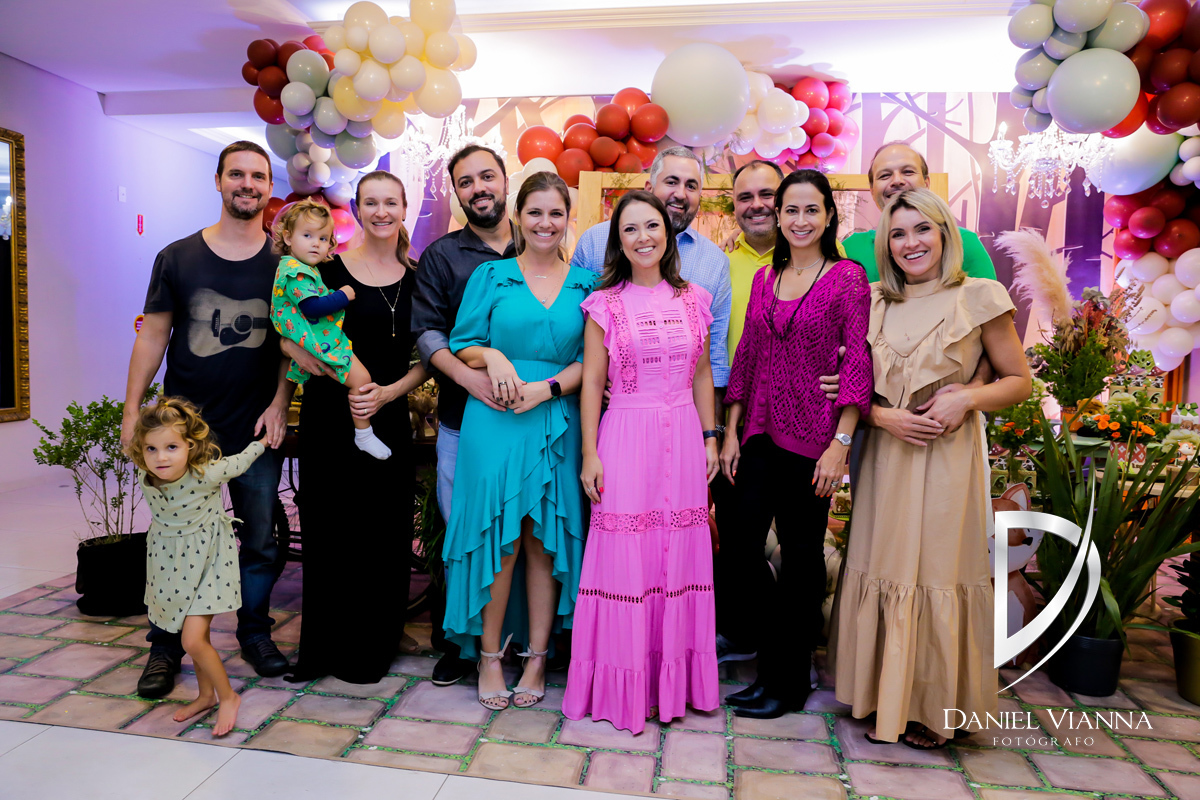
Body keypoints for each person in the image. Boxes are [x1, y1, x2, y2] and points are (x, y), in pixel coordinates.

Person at [831, 188, 1031, 748]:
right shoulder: (871, 300)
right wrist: (881, 417)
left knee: (938, 571)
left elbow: (1019, 381)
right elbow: (845, 387)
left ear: (945, 234)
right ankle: (881, 696)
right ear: (885, 245)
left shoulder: (979, 296)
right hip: (885, 457)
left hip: (947, 459)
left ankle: (935, 709)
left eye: (922, 229)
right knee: (884, 563)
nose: (911, 243)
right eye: (897, 234)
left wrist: (967, 398)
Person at [121, 141, 292, 697]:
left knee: (261, 540)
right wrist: (133, 411)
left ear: (270, 188)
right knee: (172, 542)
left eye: (258, 176)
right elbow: (153, 335)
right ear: (218, 181)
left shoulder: (285, 266)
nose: (248, 184)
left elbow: (294, 343)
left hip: (254, 429)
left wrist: (280, 402)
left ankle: (255, 633)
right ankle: (166, 647)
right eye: (236, 174)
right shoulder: (177, 258)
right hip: (183, 435)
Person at [564, 190, 721, 734]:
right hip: (626, 436)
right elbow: (592, 383)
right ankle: (626, 687)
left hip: (684, 434)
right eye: (629, 229)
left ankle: (674, 686)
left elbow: (703, 373)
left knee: (678, 554)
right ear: (618, 241)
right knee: (627, 558)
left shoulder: (695, 298)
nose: (643, 237)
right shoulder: (604, 304)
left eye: (651, 225)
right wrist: (589, 453)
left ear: (667, 232)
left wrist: (710, 437)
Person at [719, 170, 873, 719]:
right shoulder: (767, 278)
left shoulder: (847, 278)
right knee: (740, 548)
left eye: (811, 210)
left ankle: (786, 682)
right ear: (779, 217)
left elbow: (857, 360)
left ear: (829, 216)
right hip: (759, 434)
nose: (800, 220)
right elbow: (748, 356)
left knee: (801, 556)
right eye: (791, 210)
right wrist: (731, 431)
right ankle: (776, 664)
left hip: (813, 439)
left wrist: (840, 444)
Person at [441, 172, 593, 709]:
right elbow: (462, 342)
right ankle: (488, 658)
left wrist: (547, 389)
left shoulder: (588, 285)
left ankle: (536, 659)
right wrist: (495, 357)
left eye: (555, 213)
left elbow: (594, 362)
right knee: (497, 538)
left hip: (557, 418)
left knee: (543, 542)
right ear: (518, 217)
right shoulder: (492, 275)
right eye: (535, 212)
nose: (545, 223)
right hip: (495, 418)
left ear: (568, 219)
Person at [285, 171, 428, 685]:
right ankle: (323, 647)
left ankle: (374, 642)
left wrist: (390, 392)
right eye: (371, 202)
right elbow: (286, 326)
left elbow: (432, 356)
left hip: (387, 414)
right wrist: (299, 354)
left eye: (391, 202)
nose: (381, 212)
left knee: (383, 534)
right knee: (330, 531)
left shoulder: (419, 278)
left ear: (405, 209)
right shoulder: (326, 268)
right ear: (358, 210)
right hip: (329, 414)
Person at [412, 145, 517, 686]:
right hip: (462, 420)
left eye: (487, 176)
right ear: (457, 193)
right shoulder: (442, 256)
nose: (479, 188)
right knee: (464, 535)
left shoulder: (539, 240)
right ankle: (461, 643)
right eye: (466, 181)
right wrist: (468, 377)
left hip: (530, 419)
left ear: (505, 181)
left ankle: (517, 639)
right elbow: (427, 332)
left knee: (523, 535)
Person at [129, 397, 266, 736]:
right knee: (196, 636)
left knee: (191, 640)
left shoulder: (205, 473)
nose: (161, 457)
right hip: (170, 566)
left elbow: (239, 462)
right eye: (151, 449)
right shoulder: (148, 474)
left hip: (209, 563)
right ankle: (205, 696)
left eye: (171, 447)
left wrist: (264, 441)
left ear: (190, 446)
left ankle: (228, 696)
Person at [571, 147, 732, 403]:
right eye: (672, 182)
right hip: (610, 408)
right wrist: (592, 380)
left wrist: (713, 425)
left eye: (691, 186)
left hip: (684, 410)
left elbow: (714, 356)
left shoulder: (715, 262)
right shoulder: (595, 242)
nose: (681, 193)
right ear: (649, 187)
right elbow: (573, 325)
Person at [709, 159, 782, 666]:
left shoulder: (822, 260)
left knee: (794, 540)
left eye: (767, 194)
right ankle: (742, 632)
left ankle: (788, 646)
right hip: (732, 420)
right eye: (745, 197)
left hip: (796, 423)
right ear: (732, 206)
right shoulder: (720, 266)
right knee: (737, 533)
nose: (756, 205)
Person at [270, 199, 391, 459]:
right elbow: (312, 307)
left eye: (323, 238)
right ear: (288, 238)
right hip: (315, 340)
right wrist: (343, 295)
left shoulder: (301, 268)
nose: (316, 243)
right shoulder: (296, 272)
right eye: (307, 235)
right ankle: (364, 434)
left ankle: (363, 434)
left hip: (311, 337)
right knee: (362, 380)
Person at [840, 142, 997, 282]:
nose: (897, 181)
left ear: (926, 183)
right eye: (885, 175)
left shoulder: (964, 242)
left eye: (908, 172)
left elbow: (987, 301)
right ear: (872, 190)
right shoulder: (851, 248)